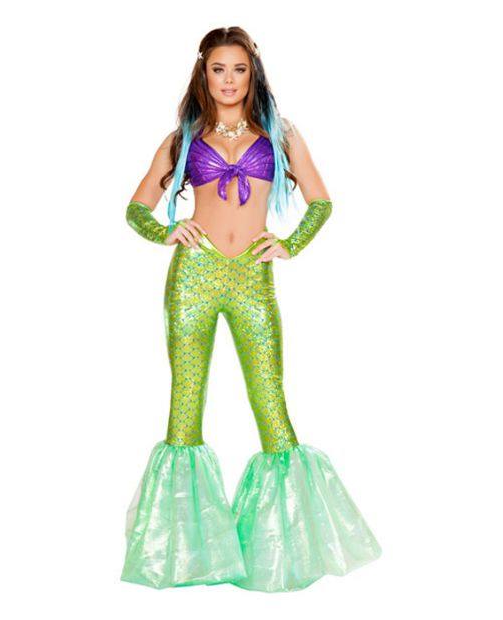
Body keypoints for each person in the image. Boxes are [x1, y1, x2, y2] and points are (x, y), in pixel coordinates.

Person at [120, 26, 381, 592]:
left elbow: (321, 201)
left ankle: (285, 556)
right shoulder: (183, 139)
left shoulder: (281, 134)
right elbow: (136, 208)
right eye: (219, 69)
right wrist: (166, 230)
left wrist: (291, 243)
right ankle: (185, 558)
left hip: (252, 280)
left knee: (272, 408)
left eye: (239, 69)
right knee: (184, 409)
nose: (229, 80)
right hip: (194, 276)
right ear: (204, 73)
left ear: (252, 73)